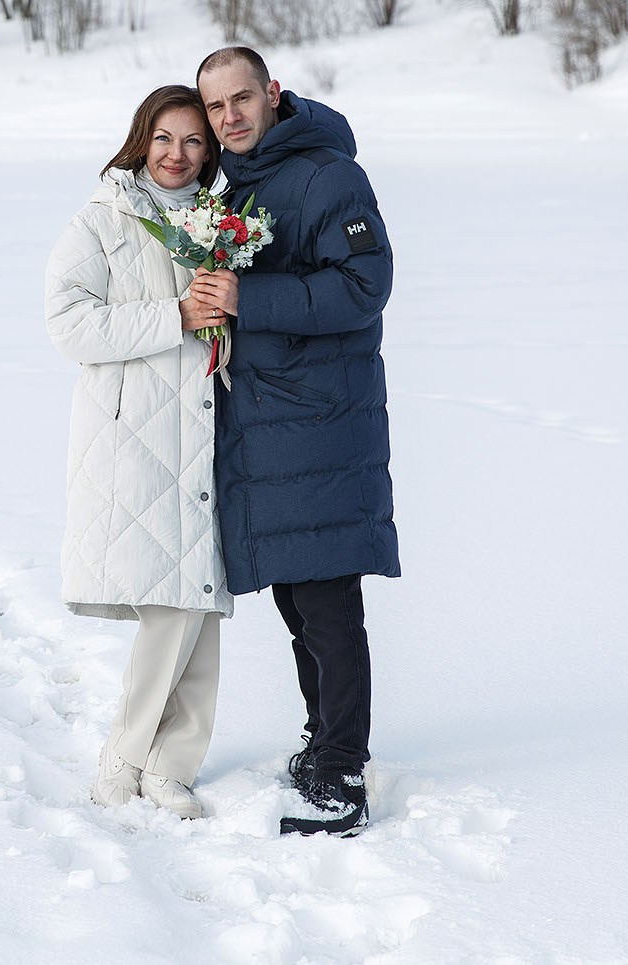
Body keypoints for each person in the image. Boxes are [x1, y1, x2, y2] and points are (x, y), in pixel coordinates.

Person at [188, 46, 398, 837]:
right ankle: (321, 738)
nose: (230, 116)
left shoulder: (327, 176)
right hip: (265, 421)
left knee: (327, 599)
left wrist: (249, 294)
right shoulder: (231, 184)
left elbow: (364, 284)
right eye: (216, 107)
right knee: (294, 595)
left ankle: (342, 772)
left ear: (273, 94)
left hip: (321, 418)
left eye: (243, 98)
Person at [44, 85, 236, 819]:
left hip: (209, 426)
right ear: (140, 140)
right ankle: (125, 754)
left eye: (193, 141)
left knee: (200, 600)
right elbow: (70, 325)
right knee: (170, 602)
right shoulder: (103, 219)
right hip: (136, 431)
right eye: (164, 138)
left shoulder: (224, 223)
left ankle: (172, 765)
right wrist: (176, 314)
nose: (177, 154)